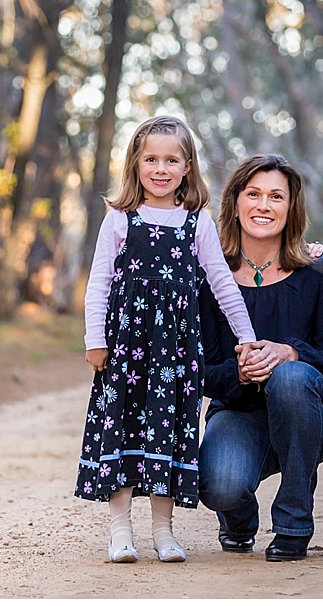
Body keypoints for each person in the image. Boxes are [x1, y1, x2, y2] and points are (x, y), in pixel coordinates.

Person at [74, 115, 256, 564]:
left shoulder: (198, 223)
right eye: (151, 158)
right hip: (124, 348)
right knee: (121, 429)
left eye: (171, 159)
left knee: (168, 432)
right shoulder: (119, 219)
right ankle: (120, 532)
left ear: (187, 166)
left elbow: (221, 283)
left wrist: (247, 338)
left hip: (175, 352)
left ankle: (163, 531)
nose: (160, 168)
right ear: (135, 164)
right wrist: (94, 339)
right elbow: (98, 283)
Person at [198, 153, 323, 562]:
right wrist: (242, 373)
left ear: (291, 207)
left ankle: (293, 523)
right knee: (221, 485)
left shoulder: (318, 270)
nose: (263, 206)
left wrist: (291, 353)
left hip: (313, 409)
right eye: (253, 194)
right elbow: (203, 372)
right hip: (241, 412)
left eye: (276, 197)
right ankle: (239, 518)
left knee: (289, 376)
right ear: (234, 203)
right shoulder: (207, 276)